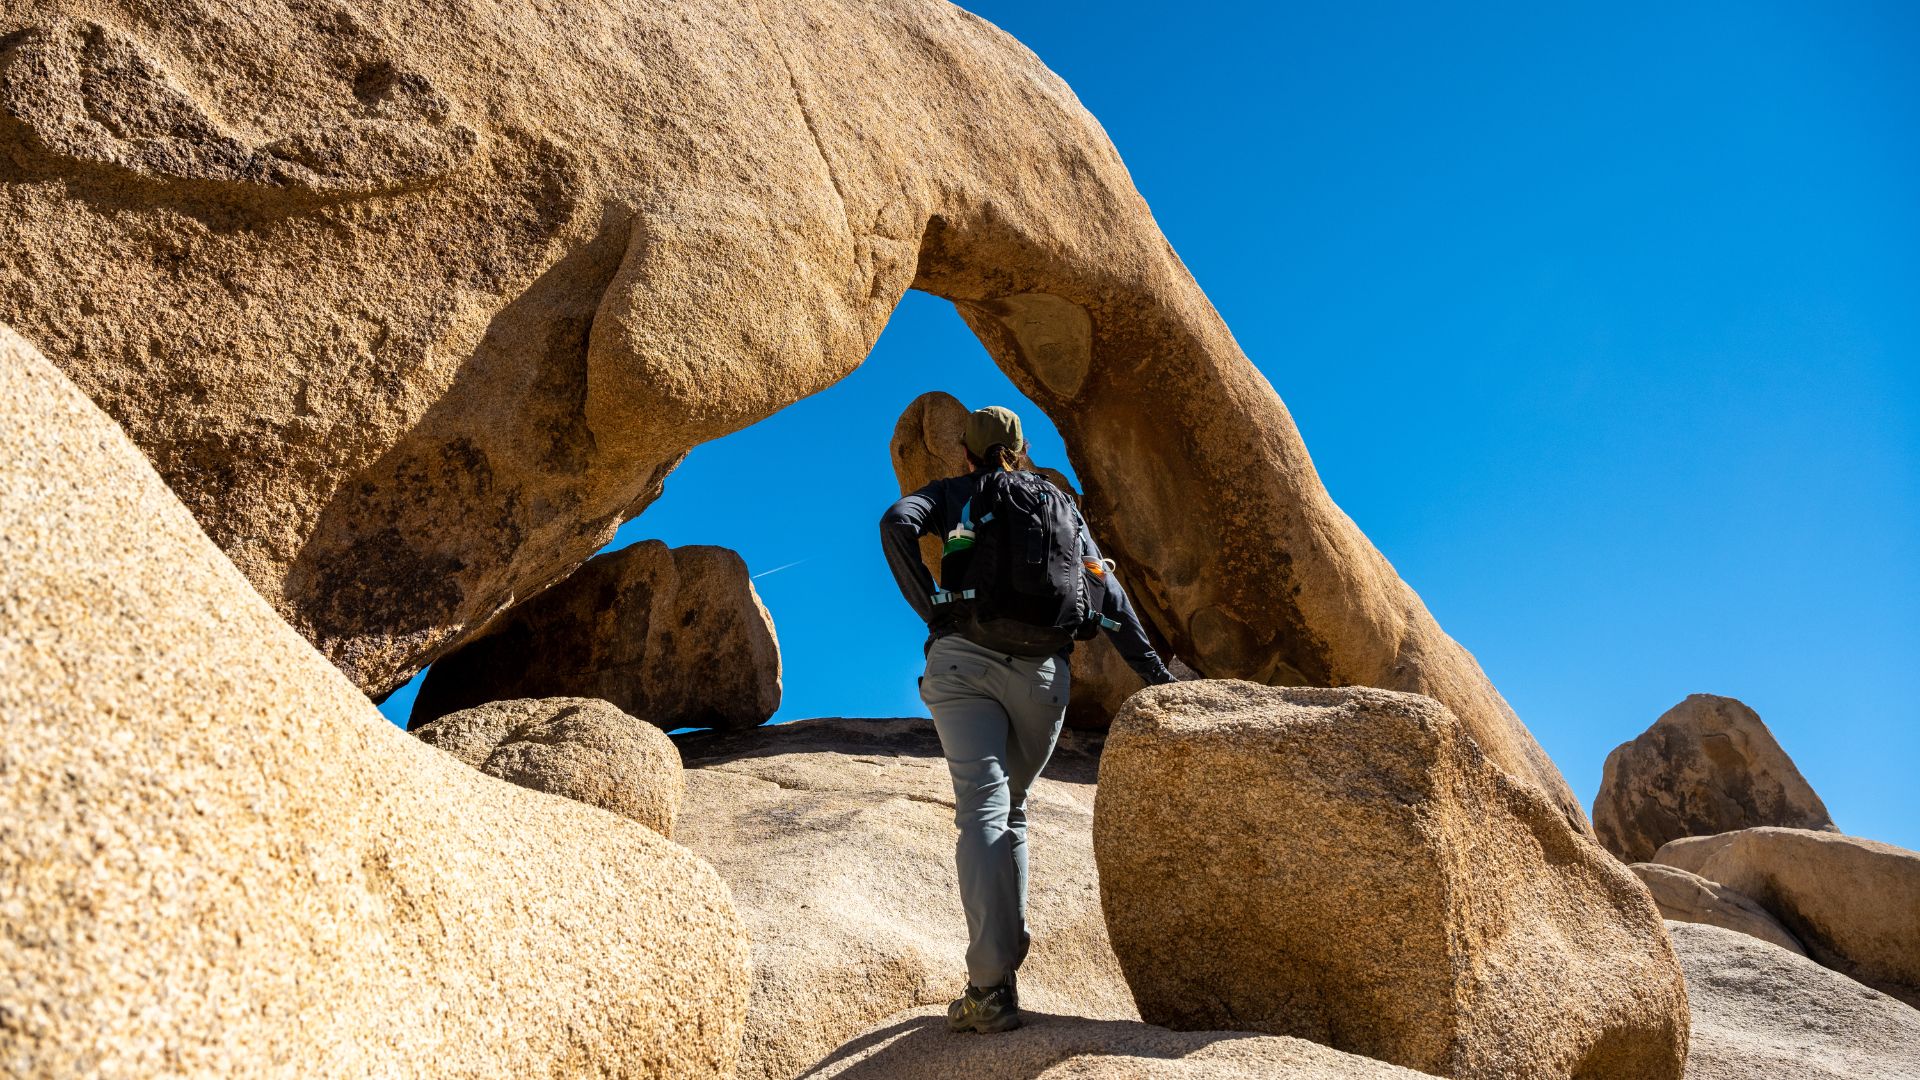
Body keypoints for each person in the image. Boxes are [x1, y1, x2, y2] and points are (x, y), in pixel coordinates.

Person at [880, 404, 1178, 1034]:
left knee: (984, 809)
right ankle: (1002, 966)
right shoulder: (1058, 504)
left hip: (962, 660)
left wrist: (933, 608)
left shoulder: (956, 491)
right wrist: (1158, 678)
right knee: (1012, 808)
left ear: (967, 452)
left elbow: (895, 523)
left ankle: (990, 989)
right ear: (1020, 448)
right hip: (1044, 675)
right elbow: (1106, 590)